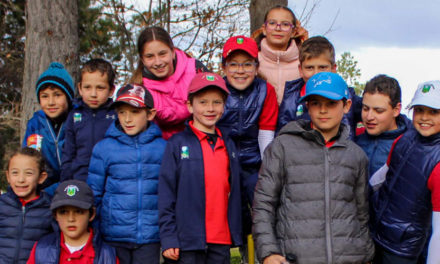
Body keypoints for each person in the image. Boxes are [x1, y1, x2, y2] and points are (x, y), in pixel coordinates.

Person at [253, 72, 374, 264]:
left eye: (331, 103)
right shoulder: (282, 147)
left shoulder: (356, 155)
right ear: (307, 106)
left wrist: (366, 255)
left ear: (347, 105)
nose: (323, 110)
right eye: (316, 103)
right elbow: (264, 204)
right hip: (297, 257)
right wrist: (268, 251)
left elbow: (361, 213)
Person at [159, 72, 242, 263]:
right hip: (186, 242)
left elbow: (235, 192)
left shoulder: (228, 145)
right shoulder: (177, 144)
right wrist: (169, 237)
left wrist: (237, 232)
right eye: (203, 102)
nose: (210, 108)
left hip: (220, 241)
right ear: (190, 105)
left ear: (224, 105)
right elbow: (166, 195)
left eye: (217, 102)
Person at [87, 84, 166, 264]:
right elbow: (94, 195)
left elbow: (170, 194)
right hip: (113, 236)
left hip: (150, 237)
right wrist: (95, 232)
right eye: (122, 112)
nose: (127, 119)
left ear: (150, 114)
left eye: (135, 112)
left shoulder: (164, 149)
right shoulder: (104, 148)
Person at [370, 80, 440, 264]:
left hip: (402, 250)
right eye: (419, 110)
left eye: (434, 112)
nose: (424, 117)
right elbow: (383, 174)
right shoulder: (404, 139)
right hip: (376, 234)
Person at [217, 35, 278, 204]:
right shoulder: (217, 90)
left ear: (256, 67)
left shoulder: (266, 91)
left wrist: (267, 171)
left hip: (254, 163)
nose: (240, 70)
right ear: (224, 67)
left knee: (259, 196)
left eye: (247, 64)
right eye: (234, 64)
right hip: (224, 161)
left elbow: (266, 134)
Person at [130, 26, 208, 140]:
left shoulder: (196, 70)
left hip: (200, 140)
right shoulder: (139, 89)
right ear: (142, 59)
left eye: (162, 54)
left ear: (172, 52)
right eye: (150, 56)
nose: (158, 62)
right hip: (163, 148)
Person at [276, 36, 362, 139]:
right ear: (300, 70)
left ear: (333, 68)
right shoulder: (291, 98)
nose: (316, 74)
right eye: (309, 68)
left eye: (322, 67)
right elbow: (282, 136)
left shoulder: (347, 96)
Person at [27, 180, 119, 264]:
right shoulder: (42, 248)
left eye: (79, 212)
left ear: (91, 214)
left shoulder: (106, 255)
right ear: (55, 215)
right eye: (63, 212)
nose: (71, 219)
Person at [60, 58, 116, 182]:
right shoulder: (74, 116)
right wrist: (65, 183)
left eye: (100, 88)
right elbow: (68, 153)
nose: (93, 94)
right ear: (80, 88)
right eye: (87, 87)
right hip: (79, 179)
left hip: (109, 181)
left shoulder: (116, 115)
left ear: (111, 90)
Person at [23, 62, 75, 188]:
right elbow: (27, 160)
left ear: (68, 98)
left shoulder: (78, 121)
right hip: (42, 188)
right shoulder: (35, 124)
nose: (51, 102)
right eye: (45, 96)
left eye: (57, 95)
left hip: (72, 186)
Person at [0, 147, 52, 264]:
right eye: (15, 173)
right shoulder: (2, 204)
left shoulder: (49, 208)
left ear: (41, 177)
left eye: (28, 173)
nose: (21, 179)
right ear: (8, 176)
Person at [355, 74, 411, 177]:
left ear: (396, 110)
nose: (369, 116)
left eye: (378, 111)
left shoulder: (409, 148)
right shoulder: (354, 142)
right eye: (365, 109)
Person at [252, 5, 308, 104]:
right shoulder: (252, 61)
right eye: (272, 23)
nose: (278, 29)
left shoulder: (305, 62)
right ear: (264, 29)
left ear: (293, 32)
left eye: (285, 24)